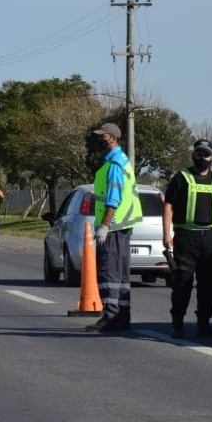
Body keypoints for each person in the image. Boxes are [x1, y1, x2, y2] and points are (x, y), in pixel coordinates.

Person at [162, 138, 212, 339]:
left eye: (206, 154)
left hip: (209, 239)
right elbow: (169, 206)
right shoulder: (181, 177)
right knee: (182, 282)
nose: (202, 158)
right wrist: (166, 234)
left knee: (209, 285)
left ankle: (204, 324)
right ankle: (177, 324)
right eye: (199, 154)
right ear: (193, 154)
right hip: (186, 238)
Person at [84, 122, 141, 333]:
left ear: (114, 138)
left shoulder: (115, 165)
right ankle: (122, 317)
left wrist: (104, 226)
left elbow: (113, 199)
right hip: (123, 225)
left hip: (115, 226)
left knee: (110, 271)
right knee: (121, 274)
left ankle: (110, 316)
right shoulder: (119, 161)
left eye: (104, 137)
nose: (100, 140)